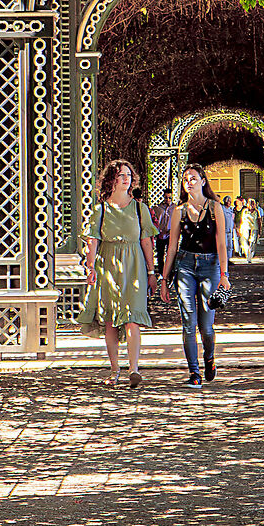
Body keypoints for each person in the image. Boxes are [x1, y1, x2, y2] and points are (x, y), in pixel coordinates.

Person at [80, 160, 157, 390]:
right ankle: (115, 370)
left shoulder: (139, 208)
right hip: (108, 266)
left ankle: (134, 369)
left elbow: (146, 242)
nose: (126, 179)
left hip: (135, 267)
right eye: (121, 175)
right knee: (111, 321)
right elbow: (92, 240)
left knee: (133, 319)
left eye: (129, 175)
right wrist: (90, 266)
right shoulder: (101, 210)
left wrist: (152, 272)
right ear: (111, 180)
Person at [155, 163, 231, 388]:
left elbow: (221, 244)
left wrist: (224, 275)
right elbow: (171, 248)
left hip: (210, 266)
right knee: (188, 322)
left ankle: (209, 358)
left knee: (206, 326)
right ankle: (194, 373)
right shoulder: (179, 210)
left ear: (203, 181)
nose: (189, 182)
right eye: (186, 179)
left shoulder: (215, 207)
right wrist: (164, 280)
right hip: (185, 266)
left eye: (194, 178)